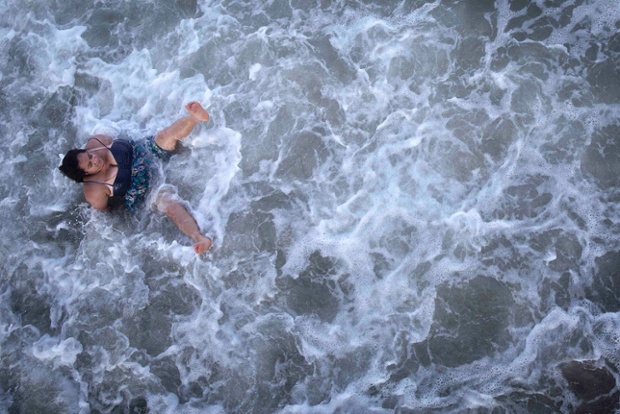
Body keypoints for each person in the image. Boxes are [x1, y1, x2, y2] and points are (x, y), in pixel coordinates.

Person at [59, 102, 212, 254]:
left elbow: (121, 132)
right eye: (90, 165)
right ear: (85, 174)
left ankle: (195, 117)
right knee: (170, 206)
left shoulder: (97, 142)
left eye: (90, 156)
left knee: (165, 136)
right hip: (145, 188)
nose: (96, 160)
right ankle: (199, 238)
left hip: (144, 152)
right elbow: (106, 213)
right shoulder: (94, 191)